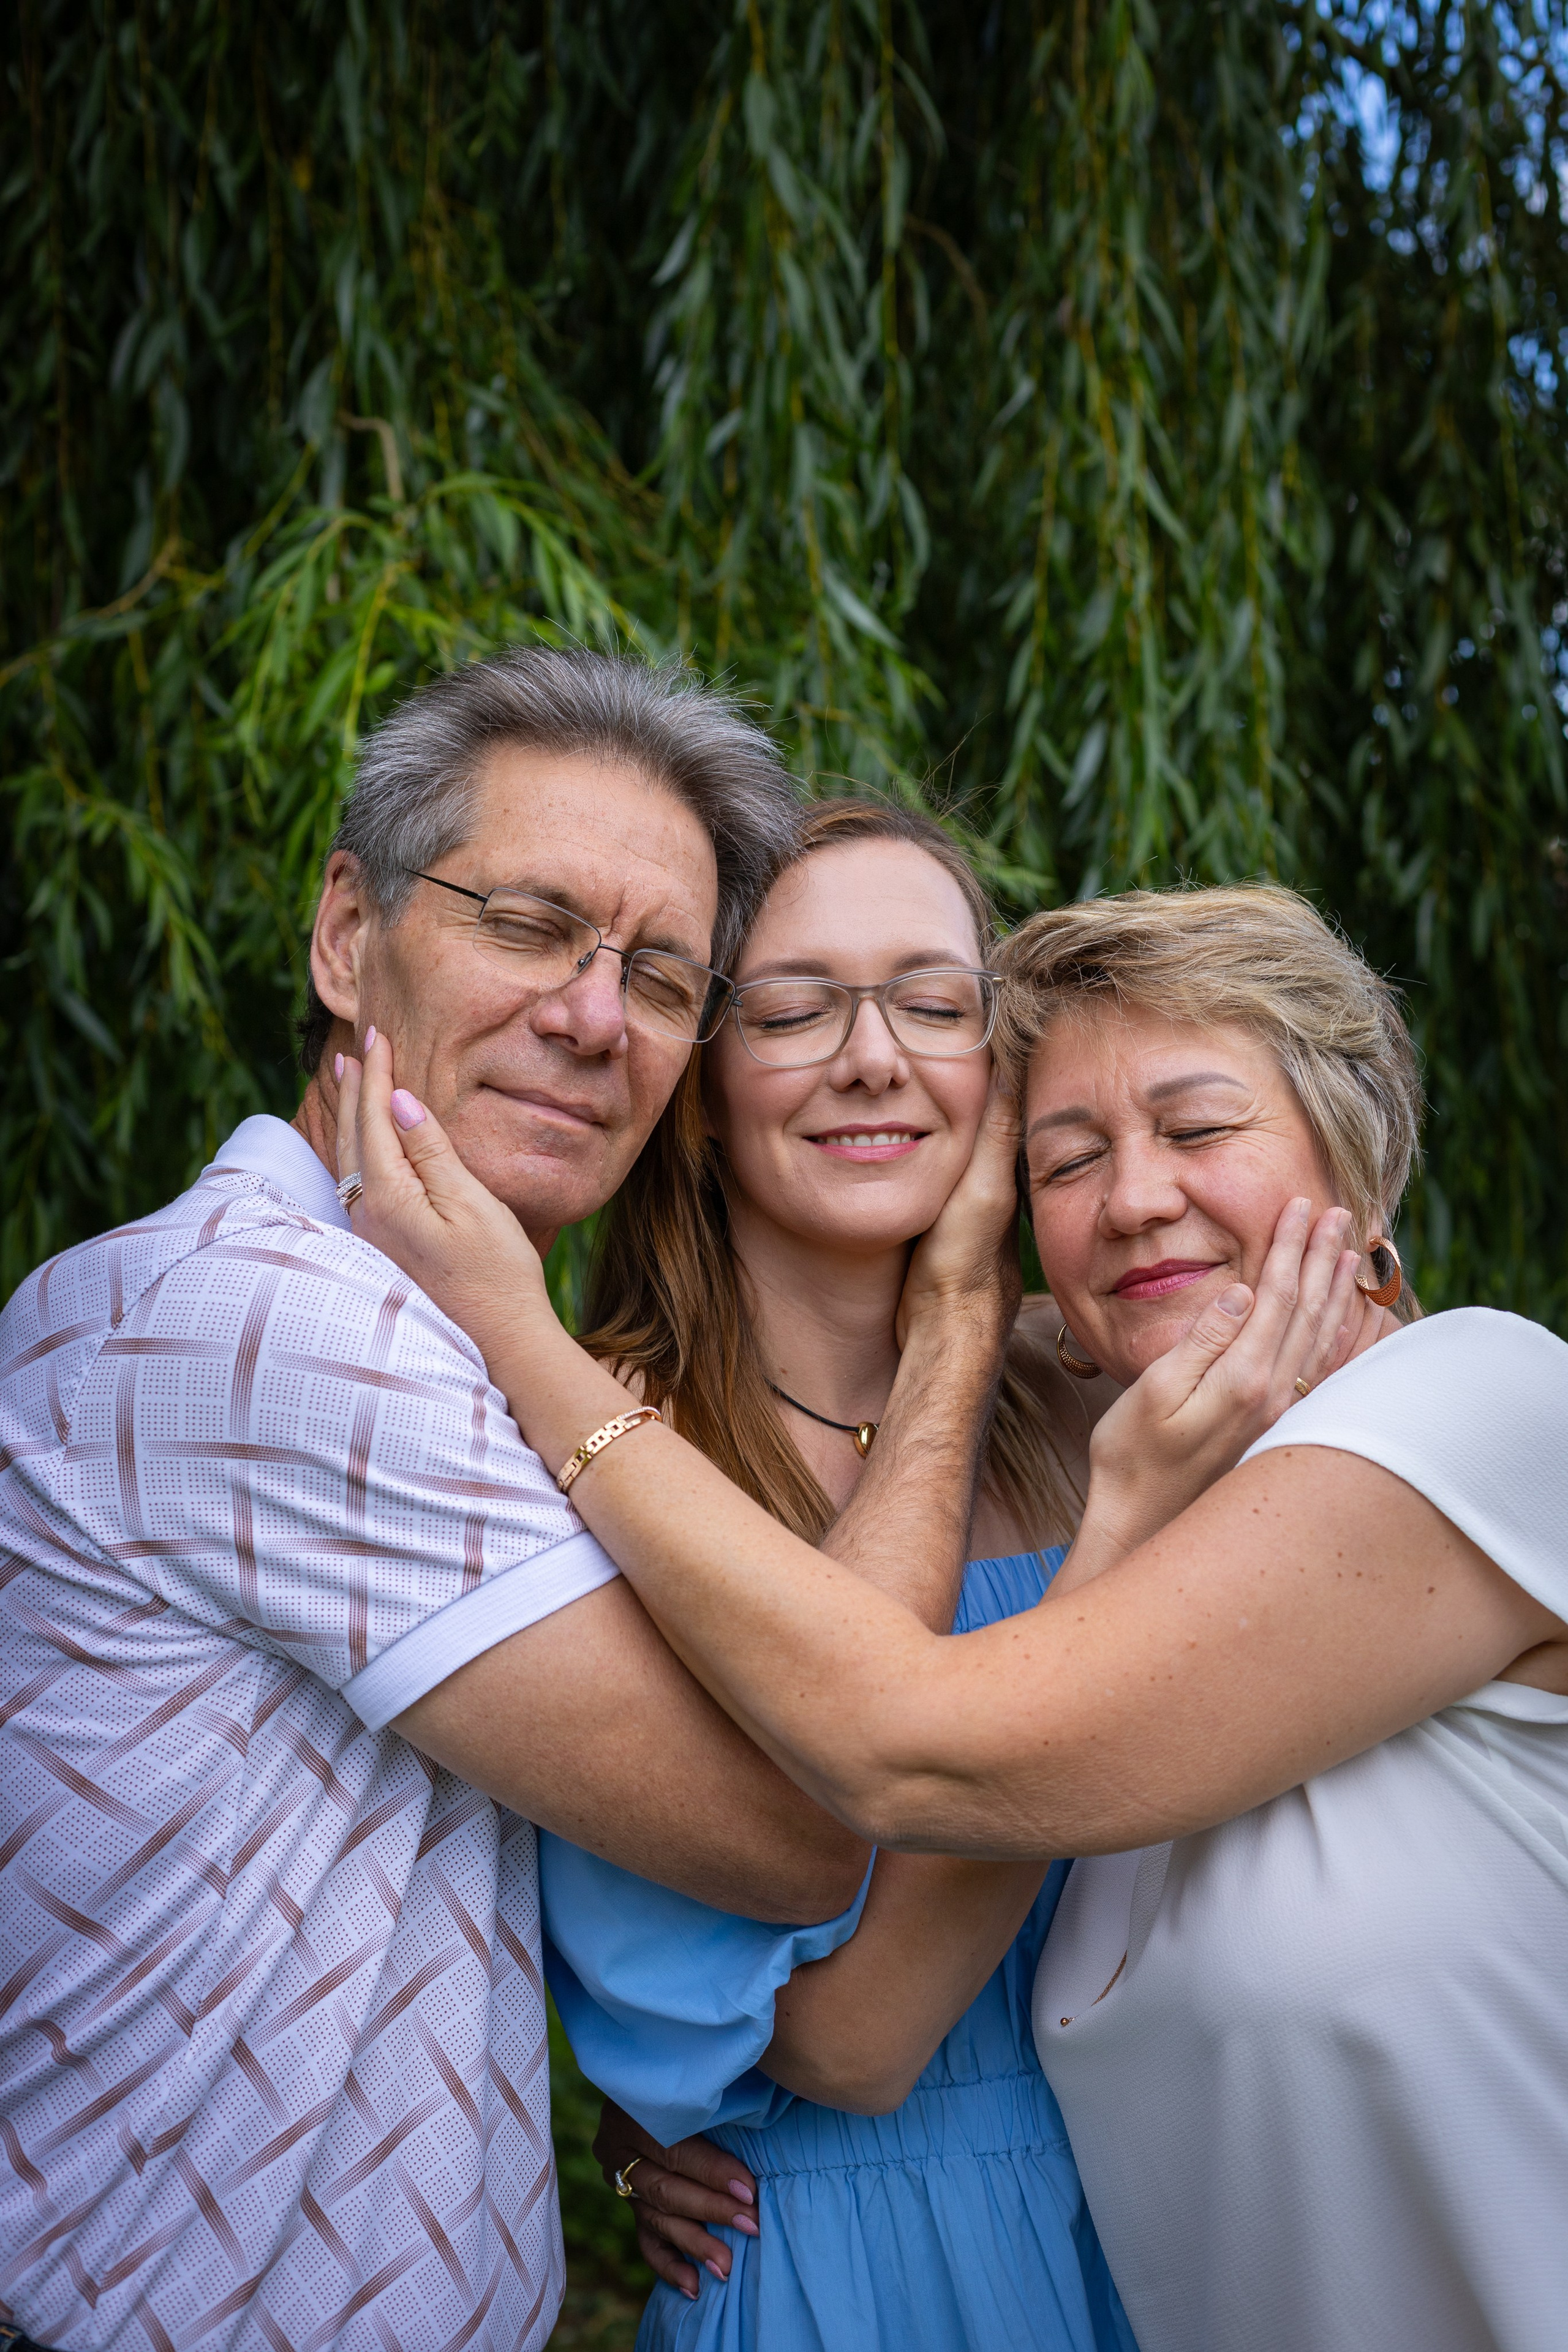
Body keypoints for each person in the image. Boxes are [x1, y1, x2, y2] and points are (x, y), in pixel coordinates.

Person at [333, 879, 1568, 2352]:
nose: (1133, 1198)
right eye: (1067, 1157)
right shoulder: (1155, 1429)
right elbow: (835, 2020)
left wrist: (511, 1326)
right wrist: (646, 2116)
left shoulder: (1461, 1405)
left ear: (1357, 1161)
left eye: (1196, 1128)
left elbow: (916, 1746)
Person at [0, 650, 1014, 2352]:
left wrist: (632, 2111)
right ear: (347, 935)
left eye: (661, 975)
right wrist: (961, 1321)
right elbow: (798, 1830)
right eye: (531, 925)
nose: (594, 1018)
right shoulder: (270, 1329)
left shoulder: (439, 1350)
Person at [538, 799, 1131, 2350]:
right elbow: (835, 2043)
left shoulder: (1104, 1388)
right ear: (698, 1087)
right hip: (848, 2253)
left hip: (1164, 2203)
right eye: (793, 1011)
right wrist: (955, 1327)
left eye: (932, 1005)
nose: (872, 1059)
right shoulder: (602, 1446)